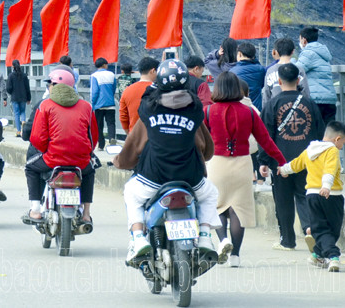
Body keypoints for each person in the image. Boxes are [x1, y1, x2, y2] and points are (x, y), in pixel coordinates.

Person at [114, 59, 228, 263]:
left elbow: (145, 98)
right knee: (210, 194)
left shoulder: (149, 108)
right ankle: (204, 237)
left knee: (131, 193)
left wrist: (155, 86)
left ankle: (138, 238)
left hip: (153, 176)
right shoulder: (195, 109)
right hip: (190, 177)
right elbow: (205, 142)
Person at [204, 72, 287, 267]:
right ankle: (235, 256)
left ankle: (223, 240)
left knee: (217, 206)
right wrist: (281, 161)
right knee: (237, 210)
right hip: (242, 163)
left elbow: (198, 140)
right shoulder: (248, 112)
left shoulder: (207, 111)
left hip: (216, 163)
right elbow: (265, 140)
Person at [260, 63, 325, 251]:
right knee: (306, 195)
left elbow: (266, 136)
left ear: (279, 82)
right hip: (307, 159)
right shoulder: (310, 104)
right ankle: (309, 229)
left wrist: (263, 161)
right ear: (298, 80)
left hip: (281, 162)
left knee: (283, 200)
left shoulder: (272, 104)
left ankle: (287, 241)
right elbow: (320, 132)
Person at [22, 68, 96, 228]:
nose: (48, 87)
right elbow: (93, 137)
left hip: (52, 159)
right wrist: (87, 152)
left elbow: (37, 138)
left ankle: (35, 209)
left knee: (30, 167)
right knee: (90, 172)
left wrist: (47, 150)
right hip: (80, 161)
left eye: (50, 84)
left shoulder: (45, 105)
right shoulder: (86, 107)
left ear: (54, 86)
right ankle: (86, 214)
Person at [279, 121, 345, 272]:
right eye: (342, 143)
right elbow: (330, 169)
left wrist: (284, 169)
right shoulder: (332, 150)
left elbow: (296, 164)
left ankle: (317, 254)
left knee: (320, 228)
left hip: (311, 195)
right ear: (337, 139)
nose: (341, 147)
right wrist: (326, 186)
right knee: (333, 229)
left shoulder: (310, 150)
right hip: (331, 195)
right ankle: (333, 256)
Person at [296, 27, 336, 123]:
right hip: (329, 99)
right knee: (329, 130)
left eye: (300, 39)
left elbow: (296, 70)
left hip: (316, 100)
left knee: (314, 130)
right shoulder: (322, 52)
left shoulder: (308, 53)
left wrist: (291, 61)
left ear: (304, 40)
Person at [263, 37, 310, 108]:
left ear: (276, 52)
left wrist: (266, 110)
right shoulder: (299, 69)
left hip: (275, 108)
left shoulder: (270, 70)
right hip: (295, 108)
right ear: (293, 51)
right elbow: (305, 92)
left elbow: (266, 94)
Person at [118, 57, 159, 132]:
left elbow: (123, 117)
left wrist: (130, 134)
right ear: (153, 71)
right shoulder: (158, 90)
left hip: (135, 134)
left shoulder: (127, 90)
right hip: (155, 135)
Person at [89, 58, 117, 149]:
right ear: (104, 65)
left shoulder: (94, 76)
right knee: (111, 123)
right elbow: (113, 88)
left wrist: (92, 103)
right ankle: (112, 139)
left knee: (99, 125)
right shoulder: (111, 74)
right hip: (110, 103)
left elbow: (94, 91)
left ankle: (101, 145)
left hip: (98, 105)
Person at [230, 42, 267, 110]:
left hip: (239, 108)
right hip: (256, 108)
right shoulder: (261, 70)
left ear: (240, 54)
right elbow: (262, 85)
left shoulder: (232, 72)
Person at [5, 60, 31, 133]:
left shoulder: (11, 75)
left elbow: (8, 88)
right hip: (23, 97)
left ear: (12, 66)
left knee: (16, 113)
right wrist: (29, 98)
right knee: (23, 112)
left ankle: (18, 131)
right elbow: (27, 88)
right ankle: (23, 122)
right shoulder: (24, 75)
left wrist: (11, 93)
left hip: (15, 97)